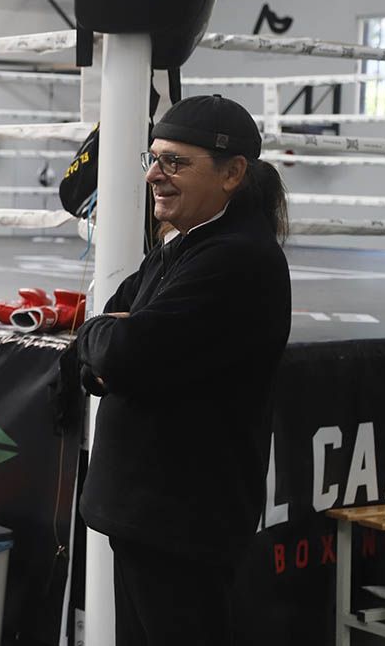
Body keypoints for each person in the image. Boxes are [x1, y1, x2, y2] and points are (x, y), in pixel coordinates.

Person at [72, 94, 291, 645]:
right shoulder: (182, 246)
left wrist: (107, 344)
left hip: (181, 522)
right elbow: (108, 335)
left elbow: (118, 351)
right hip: (152, 515)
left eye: (175, 162)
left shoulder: (237, 258)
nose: (153, 175)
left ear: (232, 174)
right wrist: (107, 342)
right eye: (153, 158)